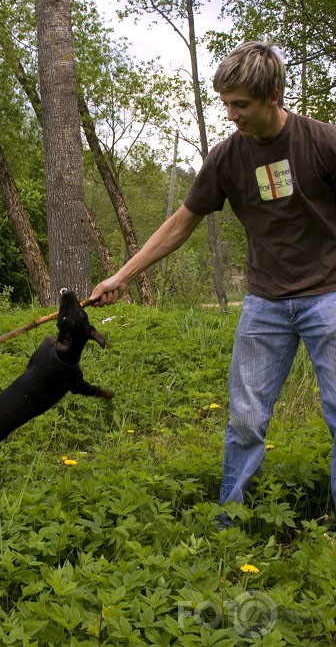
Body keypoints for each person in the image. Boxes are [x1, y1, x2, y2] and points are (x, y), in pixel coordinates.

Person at [89, 41, 336, 526]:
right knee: (245, 419)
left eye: (240, 104)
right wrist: (122, 275)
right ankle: (229, 521)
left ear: (272, 96)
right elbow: (181, 224)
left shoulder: (322, 142)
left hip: (328, 297)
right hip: (264, 304)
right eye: (225, 103)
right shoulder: (226, 158)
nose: (231, 114)